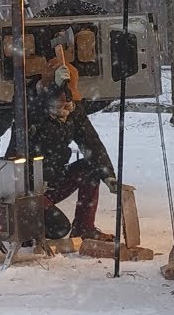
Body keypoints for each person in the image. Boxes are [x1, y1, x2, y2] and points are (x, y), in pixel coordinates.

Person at [27, 37, 118, 241]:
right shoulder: (30, 106)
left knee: (91, 168)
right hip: (26, 190)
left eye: (69, 100)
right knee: (58, 228)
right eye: (61, 99)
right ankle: (29, 227)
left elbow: (92, 144)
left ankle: (84, 227)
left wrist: (108, 175)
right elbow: (34, 114)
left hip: (55, 180)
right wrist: (55, 89)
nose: (66, 105)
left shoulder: (73, 111)